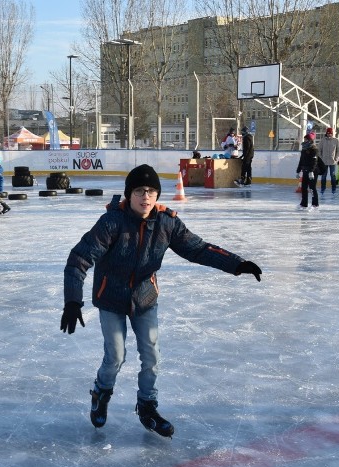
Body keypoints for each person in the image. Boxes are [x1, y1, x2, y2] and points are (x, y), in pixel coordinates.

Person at [60, 164, 262, 438]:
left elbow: (198, 249)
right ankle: (101, 394)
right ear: (129, 194)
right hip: (110, 298)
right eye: (140, 191)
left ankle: (147, 407)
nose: (146, 197)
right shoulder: (111, 223)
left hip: (144, 297)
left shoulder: (166, 223)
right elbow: (79, 259)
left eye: (152, 191)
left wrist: (238, 264)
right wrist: (73, 301)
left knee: (152, 357)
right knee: (115, 357)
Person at [296, 132, 320, 209]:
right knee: (304, 188)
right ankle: (303, 204)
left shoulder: (314, 149)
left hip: (313, 171)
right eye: (305, 139)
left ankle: (315, 204)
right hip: (305, 170)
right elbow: (301, 160)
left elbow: (314, 162)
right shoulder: (303, 149)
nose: (305, 140)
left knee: (312, 188)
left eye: (306, 139)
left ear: (310, 140)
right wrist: (298, 170)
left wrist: (311, 171)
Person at [317, 127, 339, 195]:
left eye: (330, 133)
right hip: (324, 162)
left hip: (332, 162)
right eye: (328, 133)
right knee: (323, 176)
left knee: (333, 175)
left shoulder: (336, 140)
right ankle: (323, 188)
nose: (329, 134)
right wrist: (321, 158)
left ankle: (333, 189)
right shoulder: (323, 140)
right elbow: (319, 150)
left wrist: (336, 158)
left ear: (332, 133)